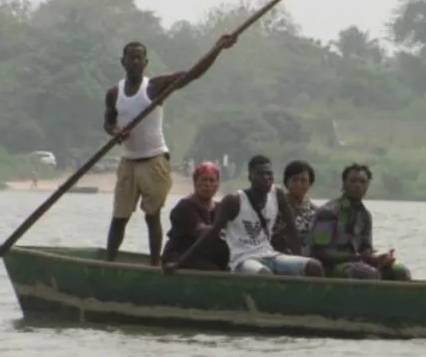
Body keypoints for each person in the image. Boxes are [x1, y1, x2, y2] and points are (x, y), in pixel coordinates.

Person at [103, 33, 237, 265]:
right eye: (131, 58)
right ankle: (108, 264)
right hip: (129, 161)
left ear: (146, 63)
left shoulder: (155, 87)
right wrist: (116, 133)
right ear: (122, 61)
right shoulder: (114, 93)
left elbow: (192, 74)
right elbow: (108, 122)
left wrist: (217, 49)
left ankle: (155, 265)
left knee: (152, 216)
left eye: (139, 59)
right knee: (119, 217)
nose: (135, 62)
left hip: (154, 161)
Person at [164, 154, 324, 277]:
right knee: (264, 275)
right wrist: (180, 263)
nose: (266, 179)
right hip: (243, 259)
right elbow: (210, 234)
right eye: (261, 175)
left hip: (269, 254)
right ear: (250, 177)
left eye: (269, 175)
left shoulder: (278, 195)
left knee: (314, 267)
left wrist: (299, 260)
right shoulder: (234, 201)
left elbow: (292, 231)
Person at [308, 164, 411, 280]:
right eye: (353, 181)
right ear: (343, 184)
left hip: (357, 262)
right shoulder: (328, 213)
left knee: (400, 271)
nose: (358, 185)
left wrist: (380, 258)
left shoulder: (365, 216)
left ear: (367, 186)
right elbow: (320, 251)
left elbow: (366, 249)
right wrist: (357, 257)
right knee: (367, 273)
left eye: (362, 182)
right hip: (330, 266)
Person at [159, 161, 229, 271]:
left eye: (212, 180)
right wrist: (222, 231)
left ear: (217, 185)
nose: (208, 184)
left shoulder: (220, 208)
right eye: (204, 180)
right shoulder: (184, 207)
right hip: (180, 257)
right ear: (195, 183)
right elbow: (201, 232)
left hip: (206, 257)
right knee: (213, 270)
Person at [273, 160, 317, 255]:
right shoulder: (275, 207)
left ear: (310, 184)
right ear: (286, 182)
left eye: (303, 180)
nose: (299, 184)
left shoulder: (315, 211)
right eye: (295, 180)